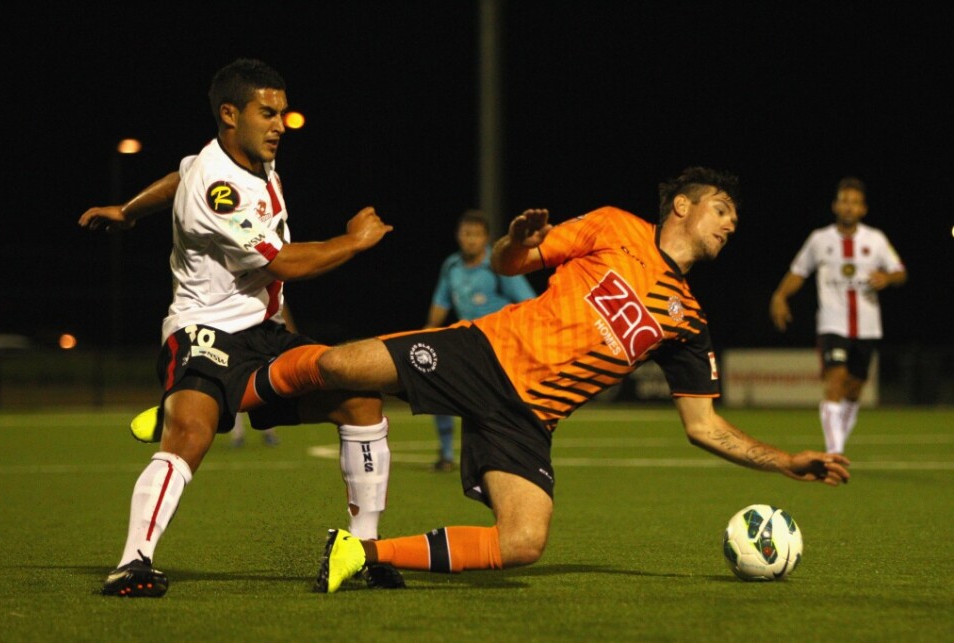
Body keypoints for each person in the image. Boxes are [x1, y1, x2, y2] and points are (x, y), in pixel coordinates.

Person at [241, 166, 851, 593]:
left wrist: (784, 462)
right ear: (683, 207)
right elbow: (510, 263)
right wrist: (515, 242)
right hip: (485, 354)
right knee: (338, 366)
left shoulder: (688, 321)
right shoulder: (614, 226)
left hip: (530, 420)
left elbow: (703, 426)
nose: (730, 225)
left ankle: (360, 553)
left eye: (734, 219)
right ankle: (228, 387)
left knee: (523, 543)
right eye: (722, 211)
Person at [78, 58, 402, 597]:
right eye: (267, 113)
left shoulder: (240, 158)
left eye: (282, 113)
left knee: (361, 401)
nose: (280, 125)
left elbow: (179, 173)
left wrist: (129, 209)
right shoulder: (219, 188)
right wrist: (355, 242)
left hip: (262, 331)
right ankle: (133, 562)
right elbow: (286, 263)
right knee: (191, 434)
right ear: (230, 114)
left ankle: (363, 550)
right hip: (204, 332)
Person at [770, 177, 906, 454]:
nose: (849, 207)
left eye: (855, 202)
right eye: (844, 201)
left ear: (863, 209)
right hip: (832, 323)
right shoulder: (819, 239)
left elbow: (900, 272)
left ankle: (837, 445)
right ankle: (834, 453)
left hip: (867, 326)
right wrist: (780, 296)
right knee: (835, 382)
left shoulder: (876, 239)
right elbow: (799, 271)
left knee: (853, 390)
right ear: (835, 206)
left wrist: (887, 277)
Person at [422, 209, 537, 471]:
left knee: (498, 404)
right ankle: (446, 454)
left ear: (486, 238)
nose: (471, 240)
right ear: (458, 236)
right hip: (467, 342)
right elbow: (441, 302)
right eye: (466, 234)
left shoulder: (498, 264)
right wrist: (426, 332)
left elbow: (528, 302)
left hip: (500, 344)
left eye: (476, 234)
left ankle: (510, 453)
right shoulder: (451, 266)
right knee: (437, 384)